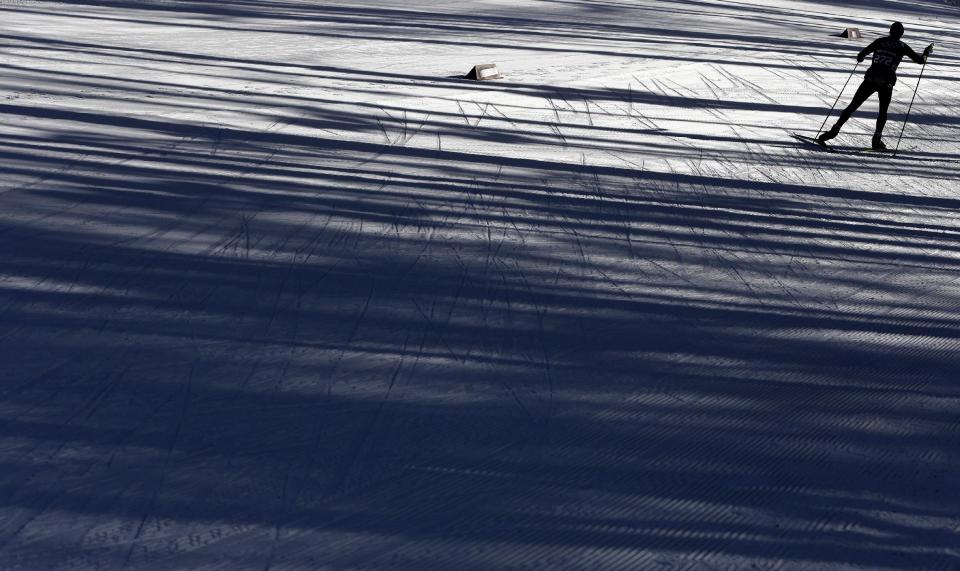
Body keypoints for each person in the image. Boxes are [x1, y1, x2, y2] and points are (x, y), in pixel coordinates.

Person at [818, 22, 933, 150]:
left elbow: (861, 55)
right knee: (882, 112)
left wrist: (861, 58)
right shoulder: (902, 46)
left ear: (890, 31)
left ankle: (835, 129)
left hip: (871, 79)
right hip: (886, 82)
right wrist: (926, 53)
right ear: (901, 34)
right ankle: (876, 140)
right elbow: (920, 61)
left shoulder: (880, 41)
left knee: (853, 105)